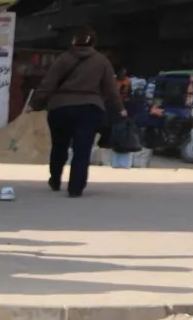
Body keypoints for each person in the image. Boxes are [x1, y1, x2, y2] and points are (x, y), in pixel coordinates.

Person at [32, 27, 124, 197]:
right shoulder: (102, 61)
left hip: (60, 108)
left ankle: (55, 179)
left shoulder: (64, 59)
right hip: (90, 109)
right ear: (94, 42)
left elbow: (48, 83)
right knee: (82, 149)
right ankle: (76, 187)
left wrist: (36, 103)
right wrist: (119, 109)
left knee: (59, 145)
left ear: (74, 41)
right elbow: (111, 90)